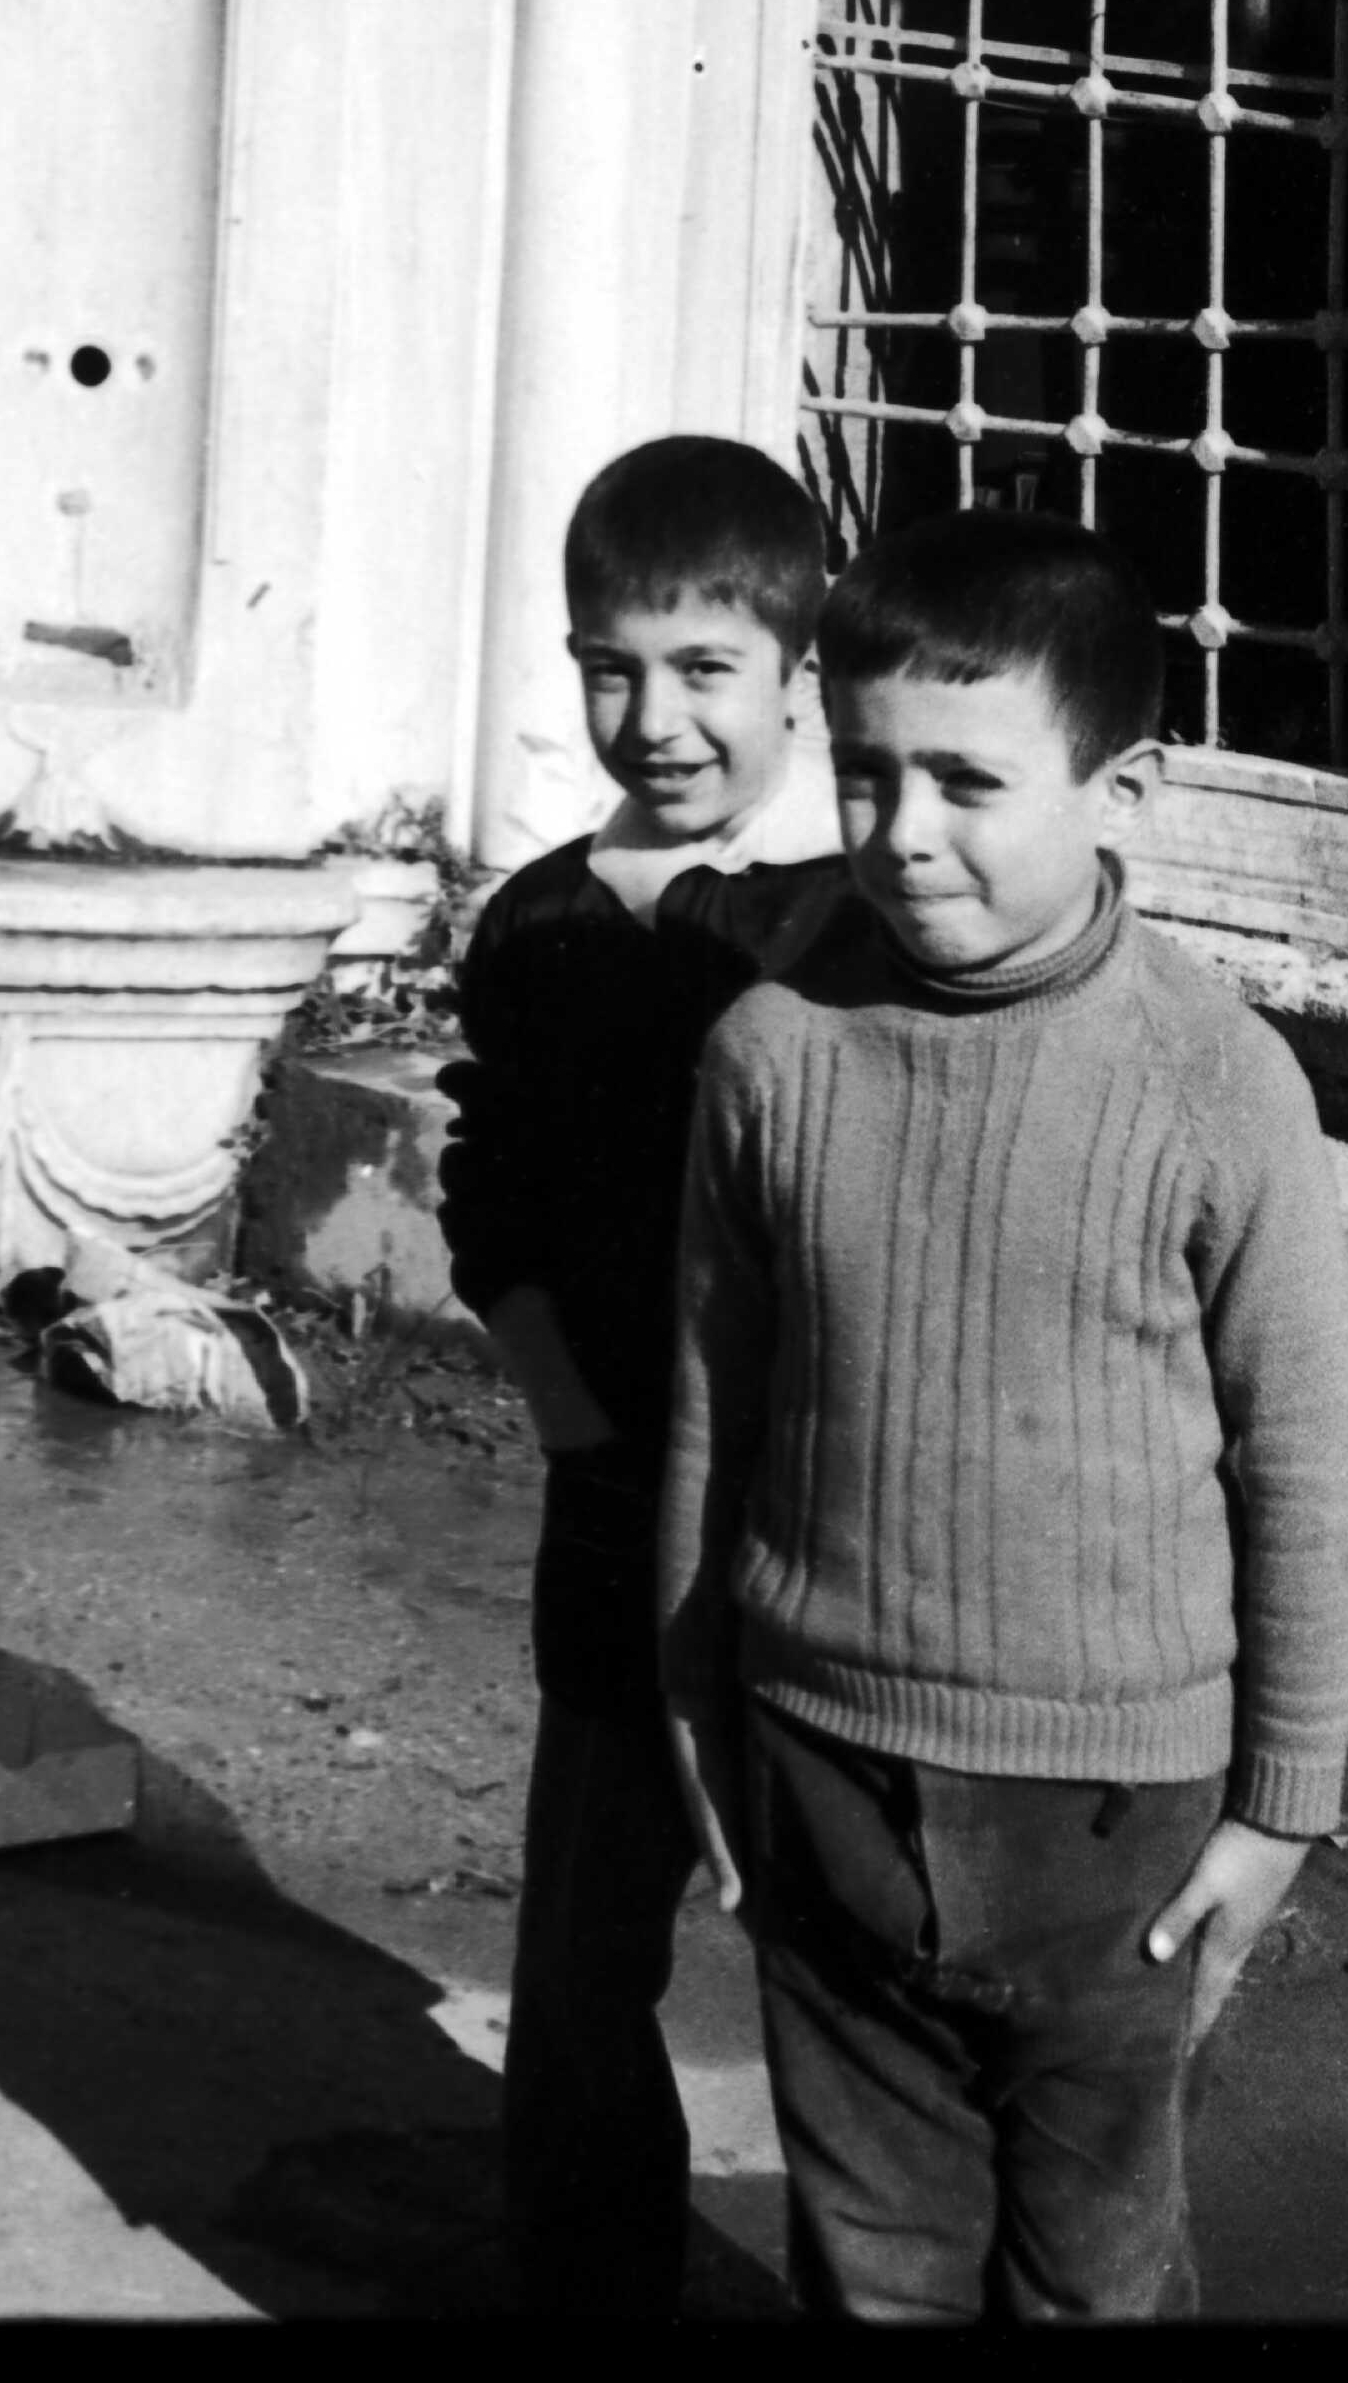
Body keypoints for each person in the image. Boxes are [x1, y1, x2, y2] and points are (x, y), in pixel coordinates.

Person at [660, 510, 1348, 2325]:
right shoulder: (771, 1051)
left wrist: (1281, 1807)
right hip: (820, 1764)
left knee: (1094, 2276)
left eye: (969, 781)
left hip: (1113, 1833)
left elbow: (1309, 1460)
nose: (903, 831)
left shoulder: (1216, 1081)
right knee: (875, 2269)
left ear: (1120, 788)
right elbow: (712, 1405)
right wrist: (695, 1706)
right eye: (865, 771)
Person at [438, 431, 845, 2323]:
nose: (655, 719)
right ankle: (586, 2281)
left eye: (705, 669)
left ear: (797, 676)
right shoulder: (537, 921)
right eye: (612, 668)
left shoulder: (844, 924)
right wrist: (572, 1421)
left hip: (819, 1512)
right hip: (613, 1505)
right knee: (589, 1935)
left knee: (841, 1949)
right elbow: (492, 1193)